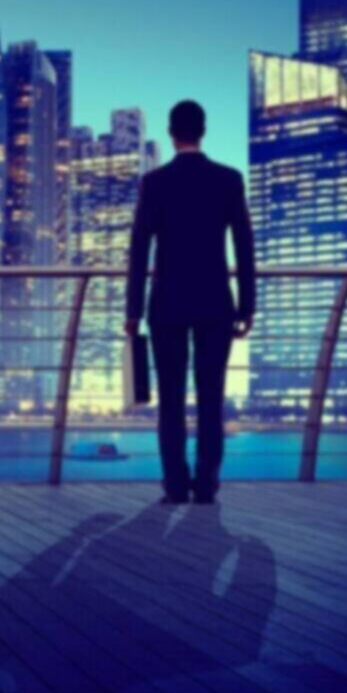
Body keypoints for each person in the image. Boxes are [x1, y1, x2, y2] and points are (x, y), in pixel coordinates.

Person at [124, 99, 255, 504]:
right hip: (216, 303)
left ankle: (176, 484)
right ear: (203, 131)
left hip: (167, 303)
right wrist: (247, 306)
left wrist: (132, 311)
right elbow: (244, 246)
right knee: (211, 396)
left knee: (171, 399)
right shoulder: (229, 179)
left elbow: (139, 249)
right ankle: (207, 483)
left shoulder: (155, 183)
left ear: (171, 133)